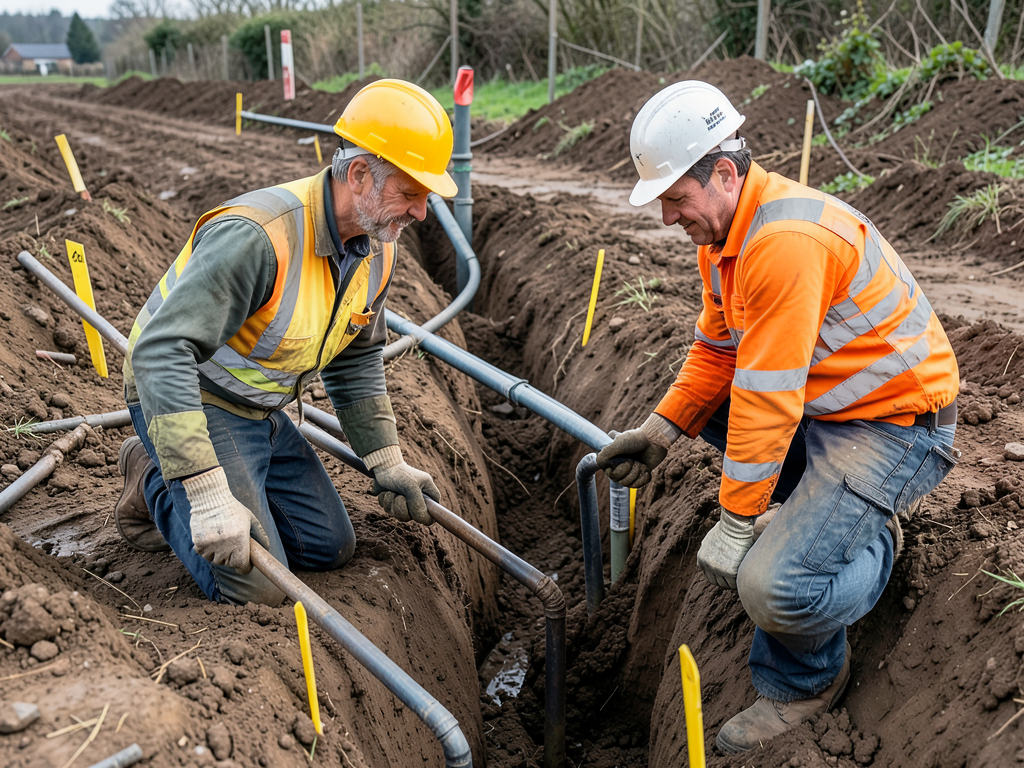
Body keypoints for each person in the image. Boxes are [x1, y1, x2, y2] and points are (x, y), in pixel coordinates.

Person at [598, 81, 960, 753]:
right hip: (833, 410)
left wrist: (739, 525)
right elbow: (715, 352)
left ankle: (815, 660)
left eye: (675, 200)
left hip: (895, 429)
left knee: (771, 588)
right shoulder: (727, 237)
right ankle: (812, 518)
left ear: (725, 175)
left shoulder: (785, 242)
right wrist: (659, 431)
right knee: (712, 412)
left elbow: (768, 396)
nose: (669, 219)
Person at [113, 79, 459, 607]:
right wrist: (205, 494)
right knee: (259, 588)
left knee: (328, 548)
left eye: (426, 197)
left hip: (263, 411)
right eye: (411, 193)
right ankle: (155, 477)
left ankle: (225, 475)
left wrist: (386, 459)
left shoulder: (376, 250)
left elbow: (358, 355)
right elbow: (161, 353)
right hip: (192, 398)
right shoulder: (259, 237)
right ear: (361, 174)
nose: (421, 213)